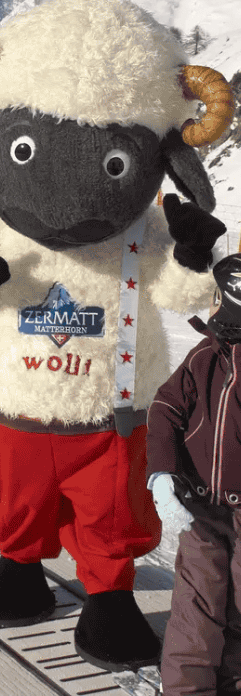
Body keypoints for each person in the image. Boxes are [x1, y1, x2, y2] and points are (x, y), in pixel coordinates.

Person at [147, 252, 241, 696]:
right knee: (196, 610)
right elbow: (166, 408)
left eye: (219, 299)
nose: (213, 307)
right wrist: (163, 473)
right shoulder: (207, 353)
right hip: (201, 506)